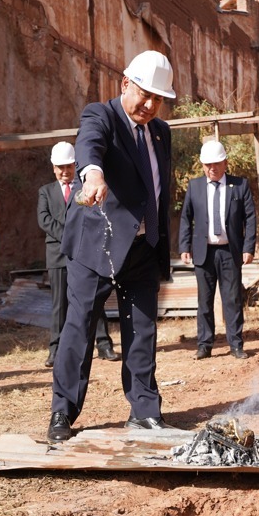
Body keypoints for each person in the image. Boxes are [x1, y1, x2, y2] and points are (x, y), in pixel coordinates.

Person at [47, 50, 175, 442]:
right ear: (125, 85)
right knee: (79, 326)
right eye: (144, 95)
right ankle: (62, 413)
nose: (151, 105)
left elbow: (156, 189)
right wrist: (93, 174)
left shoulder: (160, 132)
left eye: (159, 98)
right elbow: (90, 146)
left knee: (142, 330)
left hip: (141, 247)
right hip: (96, 245)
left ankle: (144, 411)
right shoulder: (101, 115)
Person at [37, 141, 120, 368]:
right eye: (60, 167)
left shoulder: (86, 188)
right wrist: (70, 236)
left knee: (94, 300)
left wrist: (78, 239)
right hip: (57, 256)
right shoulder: (45, 192)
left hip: (85, 255)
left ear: (75, 165)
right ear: (53, 167)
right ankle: (56, 350)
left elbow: (94, 217)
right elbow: (44, 220)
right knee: (59, 305)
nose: (65, 172)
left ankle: (104, 345)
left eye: (69, 166)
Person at [179, 139, 256, 360]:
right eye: (207, 164)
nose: (212, 168)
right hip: (204, 252)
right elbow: (186, 218)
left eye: (216, 163)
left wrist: (248, 247)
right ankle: (204, 344)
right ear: (202, 165)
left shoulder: (239, 186)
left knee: (232, 299)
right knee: (204, 300)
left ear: (225, 163)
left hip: (230, 252)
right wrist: (185, 246)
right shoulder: (194, 187)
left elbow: (250, 219)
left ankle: (236, 345)